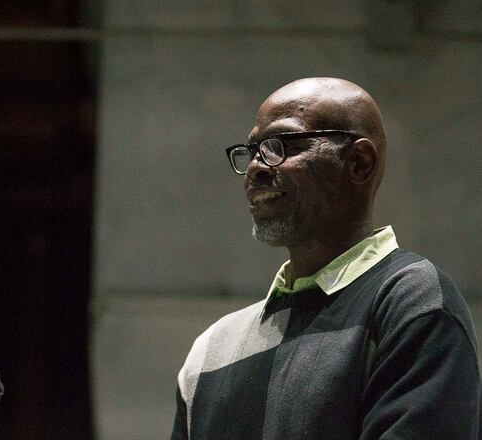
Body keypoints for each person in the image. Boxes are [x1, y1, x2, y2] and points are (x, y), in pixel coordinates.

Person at [171, 78, 480, 439]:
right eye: (252, 150)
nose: (255, 168)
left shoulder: (411, 302)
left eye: (280, 145)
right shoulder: (212, 349)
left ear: (359, 163)